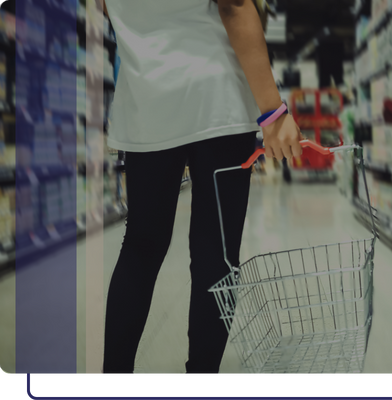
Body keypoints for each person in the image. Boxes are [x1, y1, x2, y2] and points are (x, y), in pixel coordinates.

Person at [101, 0, 303, 376]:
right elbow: (234, 5)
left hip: (148, 106)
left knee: (141, 250)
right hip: (217, 102)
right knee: (217, 256)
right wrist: (274, 113)